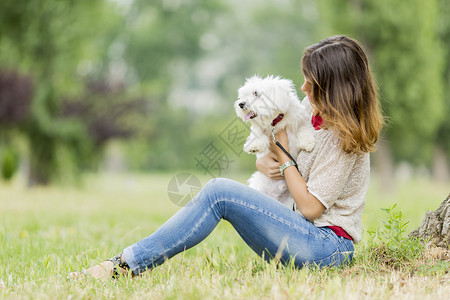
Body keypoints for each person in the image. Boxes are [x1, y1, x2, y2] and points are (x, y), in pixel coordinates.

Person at [72, 35, 384, 280]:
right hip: (300, 231)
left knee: (218, 191)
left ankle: (124, 266)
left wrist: (283, 156)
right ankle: (125, 263)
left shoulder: (346, 140)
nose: (303, 87)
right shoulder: (311, 112)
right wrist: (267, 161)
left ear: (334, 89)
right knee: (219, 192)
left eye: (311, 83)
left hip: (326, 248)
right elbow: (274, 153)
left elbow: (311, 207)